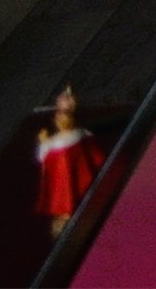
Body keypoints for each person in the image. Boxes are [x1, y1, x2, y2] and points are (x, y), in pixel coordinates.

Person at [33, 86, 105, 234]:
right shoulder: (82, 134)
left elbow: (43, 157)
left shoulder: (54, 144)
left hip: (63, 180)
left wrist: (43, 141)